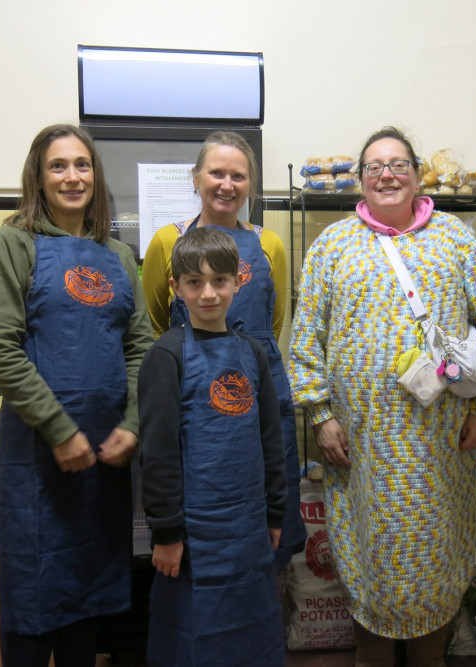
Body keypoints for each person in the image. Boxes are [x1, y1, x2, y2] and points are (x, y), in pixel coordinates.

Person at [288, 126, 476, 667]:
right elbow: (305, 339)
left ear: (415, 174)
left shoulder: (455, 238)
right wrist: (320, 415)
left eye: (398, 164)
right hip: (359, 449)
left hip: (439, 447)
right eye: (374, 167)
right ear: (360, 181)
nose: (386, 174)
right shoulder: (331, 246)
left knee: (432, 571)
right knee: (373, 570)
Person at [0, 124, 154, 666]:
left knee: (87, 608)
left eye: (82, 165)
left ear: (95, 176)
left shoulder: (120, 256)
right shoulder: (13, 244)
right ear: (39, 176)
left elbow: (141, 347)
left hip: (104, 464)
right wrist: (59, 429)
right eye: (58, 166)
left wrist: (134, 423)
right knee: (31, 608)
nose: (72, 176)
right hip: (35, 464)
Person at [142, 131, 305, 571]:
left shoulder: (269, 244)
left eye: (238, 175)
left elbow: (272, 321)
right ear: (196, 178)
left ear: (250, 183)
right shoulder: (165, 242)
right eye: (216, 173)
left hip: (260, 387)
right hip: (193, 396)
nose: (226, 184)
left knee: (269, 500)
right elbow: (157, 322)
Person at [138, 226, 287, 666]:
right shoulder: (165, 357)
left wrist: (275, 511)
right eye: (194, 282)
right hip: (192, 537)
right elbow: (159, 454)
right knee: (192, 639)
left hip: (248, 531)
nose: (208, 293)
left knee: (251, 638)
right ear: (175, 287)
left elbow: (270, 441)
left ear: (238, 282)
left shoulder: (253, 353)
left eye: (219, 281)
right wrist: (165, 533)